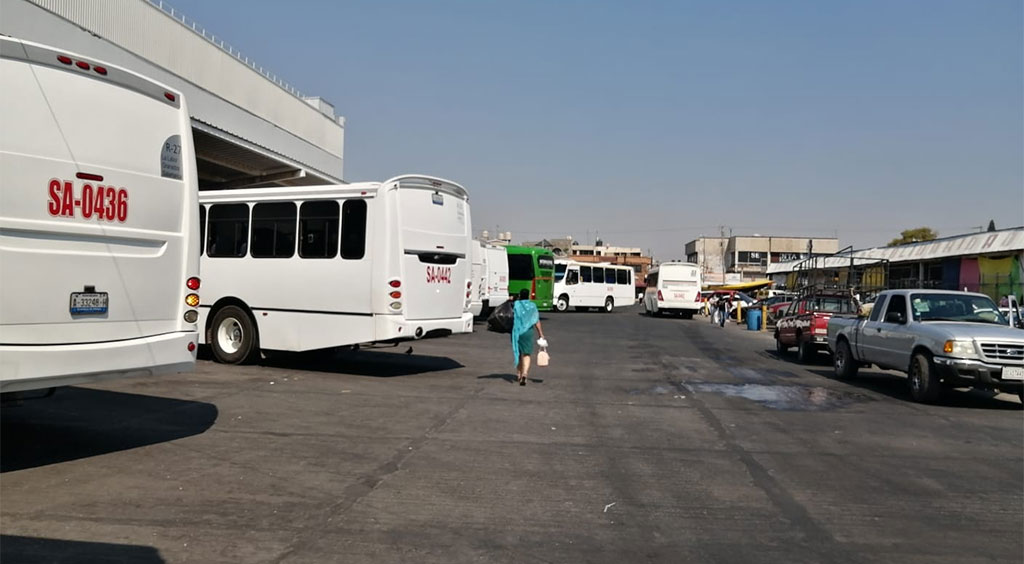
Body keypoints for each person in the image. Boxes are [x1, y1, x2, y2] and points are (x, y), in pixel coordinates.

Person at [511, 289, 545, 386]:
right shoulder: (532, 306)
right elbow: (536, 320)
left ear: (520, 295)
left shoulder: (516, 304)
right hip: (528, 332)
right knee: (526, 354)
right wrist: (540, 333)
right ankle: (525, 373)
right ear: (529, 296)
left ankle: (519, 374)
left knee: (518, 353)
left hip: (517, 332)